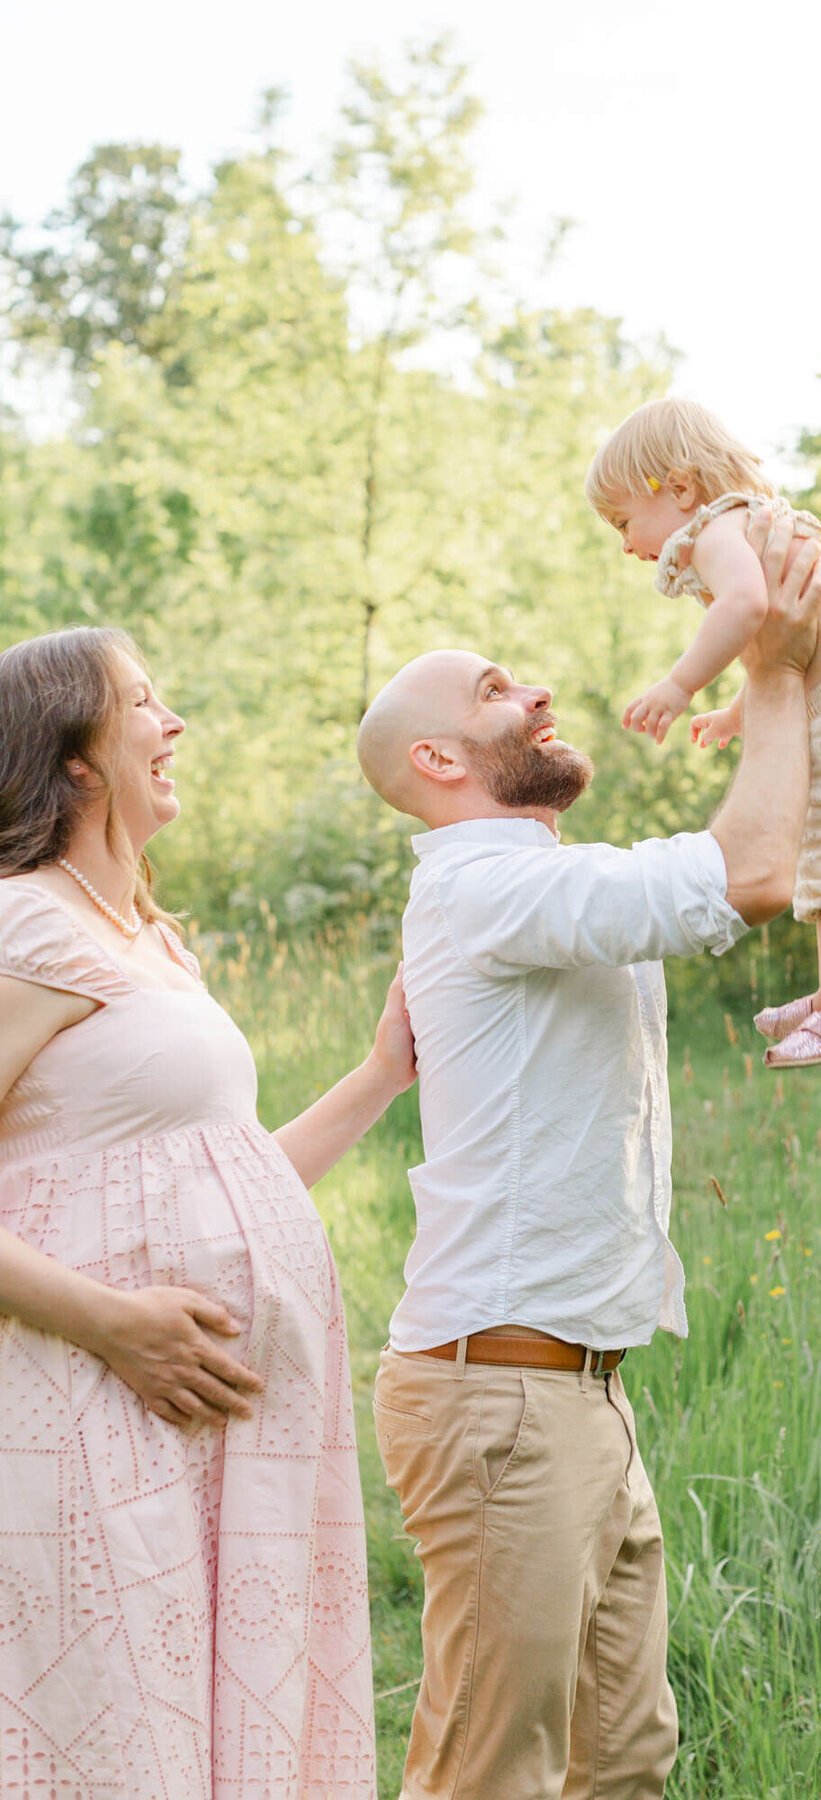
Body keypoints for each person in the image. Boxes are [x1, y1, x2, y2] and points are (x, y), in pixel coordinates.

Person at [356, 512, 821, 1800]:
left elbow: (752, 859)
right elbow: (755, 872)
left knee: (622, 1762)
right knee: (492, 1772)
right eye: (498, 687)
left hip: (582, 1392)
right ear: (443, 757)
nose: (539, 687)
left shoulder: (538, 882)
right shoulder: (483, 889)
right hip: (500, 1397)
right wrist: (772, 666)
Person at [0, 626, 416, 1798]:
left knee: (212, 1732)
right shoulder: (25, 922)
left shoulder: (147, 942)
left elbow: (225, 1173)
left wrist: (378, 1076)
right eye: (142, 702)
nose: (172, 723)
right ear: (75, 759)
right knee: (122, 1733)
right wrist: (113, 1325)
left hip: (217, 1427)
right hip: (88, 1396)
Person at [585, 395, 821, 1069]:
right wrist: (739, 711)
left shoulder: (720, 531)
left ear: (681, 488)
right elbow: (785, 641)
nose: (627, 544)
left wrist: (680, 684)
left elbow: (750, 607)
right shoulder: (747, 527)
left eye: (625, 520)